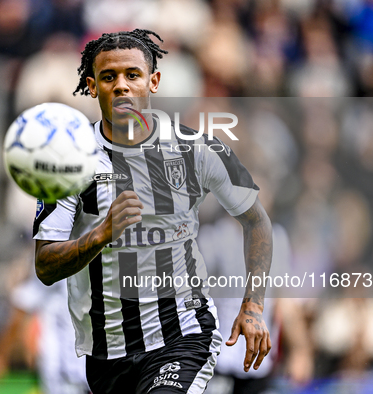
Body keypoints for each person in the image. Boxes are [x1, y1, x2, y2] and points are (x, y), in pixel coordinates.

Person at [33, 29, 273, 394]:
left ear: (154, 81)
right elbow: (45, 265)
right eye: (109, 77)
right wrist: (100, 235)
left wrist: (253, 306)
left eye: (133, 75)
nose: (122, 86)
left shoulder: (197, 149)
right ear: (92, 86)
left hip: (184, 335)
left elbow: (256, 221)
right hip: (106, 352)